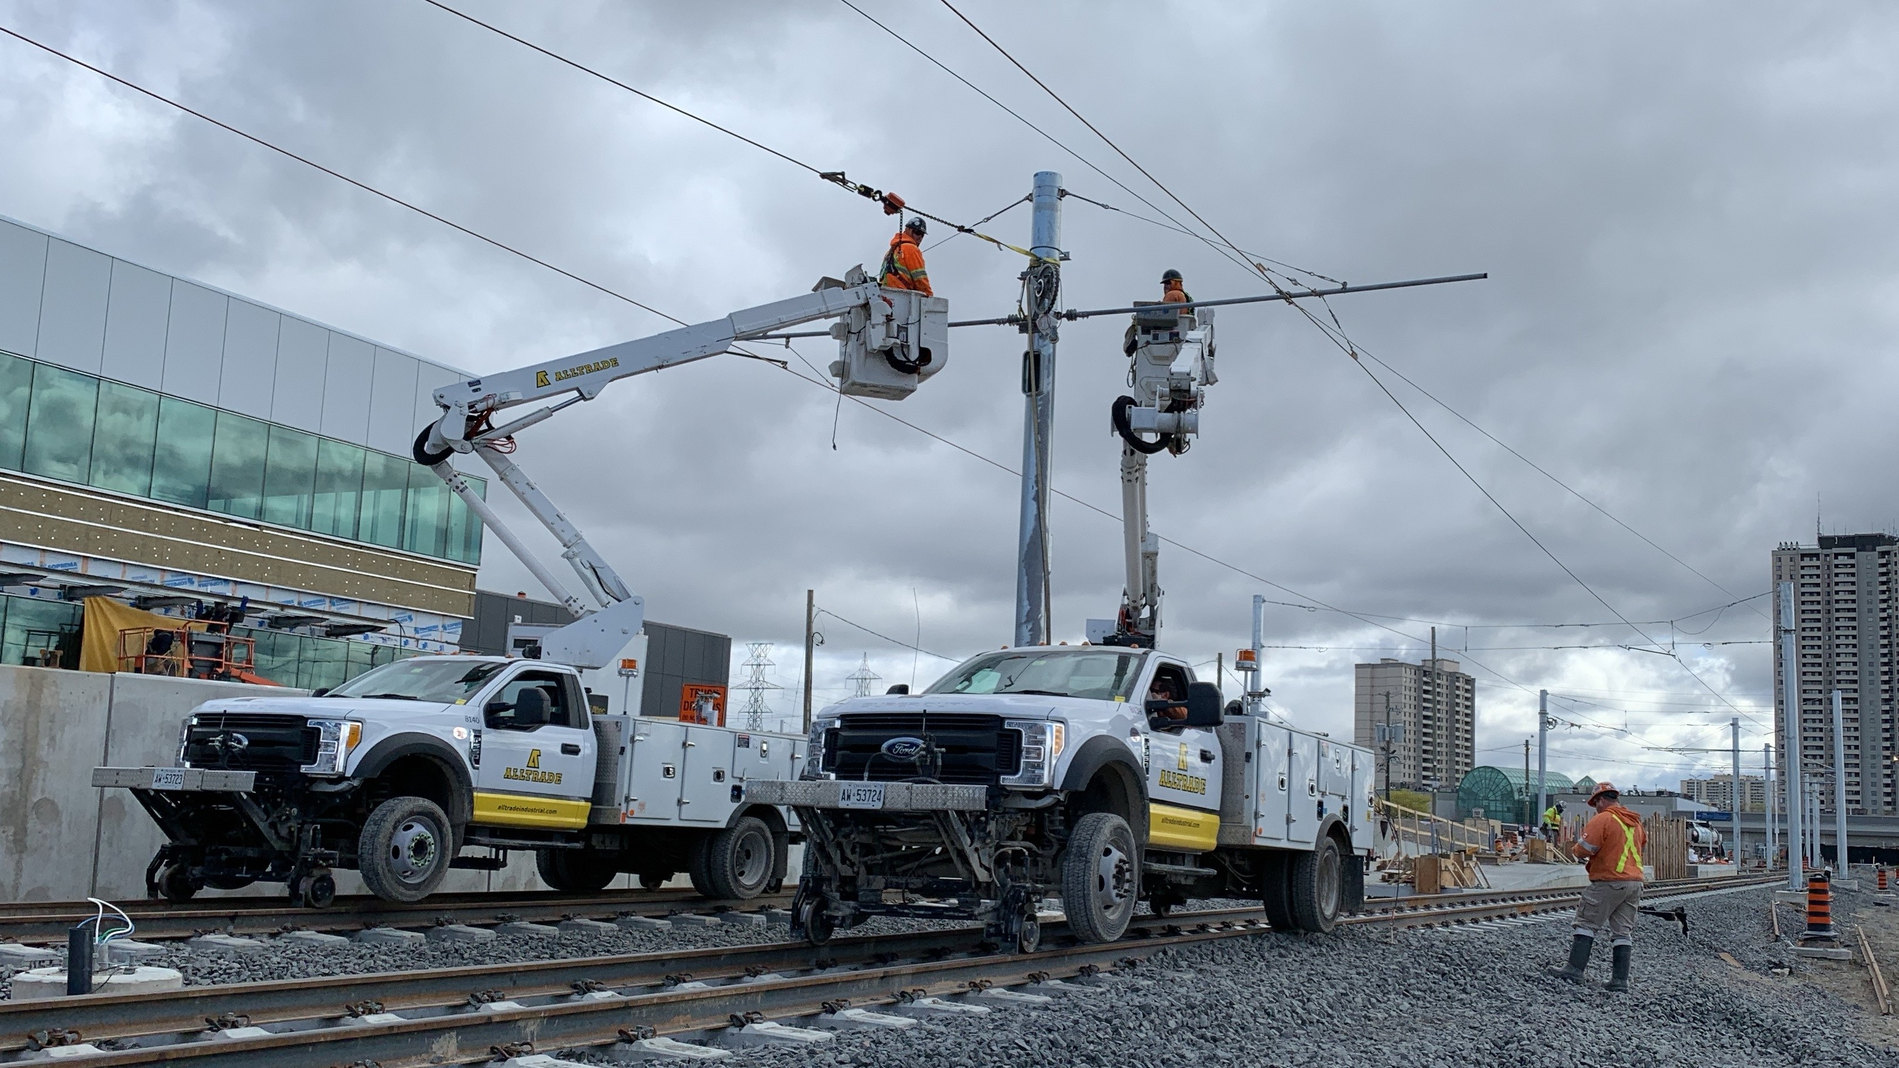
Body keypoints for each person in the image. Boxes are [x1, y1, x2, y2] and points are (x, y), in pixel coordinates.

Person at [1546, 782, 1647, 992]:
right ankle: (1620, 981)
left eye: (1596, 804)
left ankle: (1574, 969)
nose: (1596, 808)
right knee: (1622, 931)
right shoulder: (1635, 823)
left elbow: (1583, 849)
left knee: (1586, 922)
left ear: (1601, 800)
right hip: (1634, 882)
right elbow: (1638, 846)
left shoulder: (1604, 819)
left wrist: (1576, 848)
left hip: (1609, 880)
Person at [879, 217, 932, 296]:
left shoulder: (890, 252)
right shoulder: (910, 248)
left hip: (886, 295)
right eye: (917, 232)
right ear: (908, 230)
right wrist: (929, 296)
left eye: (922, 235)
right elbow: (920, 278)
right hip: (902, 296)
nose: (920, 237)